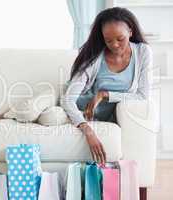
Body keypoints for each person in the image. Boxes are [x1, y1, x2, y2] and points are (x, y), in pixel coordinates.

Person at [60, 7, 153, 164]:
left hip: (103, 115)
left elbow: (142, 96)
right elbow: (68, 100)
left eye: (120, 39)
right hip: (75, 108)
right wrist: (87, 129)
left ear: (130, 31)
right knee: (46, 115)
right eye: (108, 40)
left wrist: (104, 94)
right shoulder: (95, 56)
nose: (115, 45)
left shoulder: (143, 52)